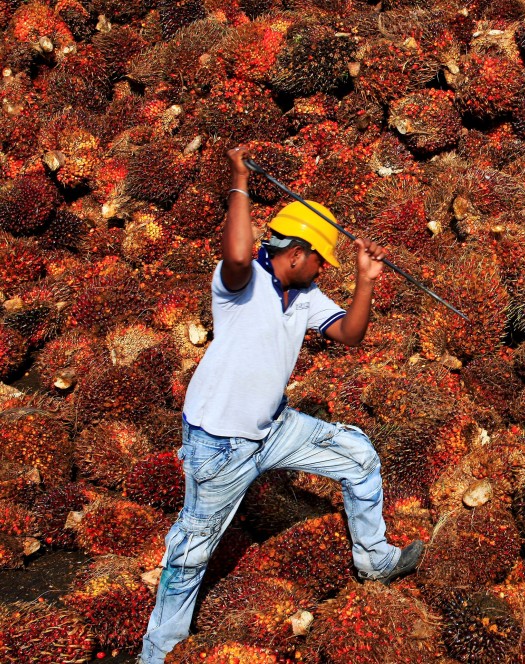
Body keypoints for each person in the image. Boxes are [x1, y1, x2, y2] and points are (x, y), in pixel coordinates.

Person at [139, 144, 424, 663]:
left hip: (271, 428)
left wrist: (364, 280)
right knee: (191, 551)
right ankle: (157, 653)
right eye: (320, 259)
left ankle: (375, 557)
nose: (322, 269)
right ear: (295, 252)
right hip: (219, 443)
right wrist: (239, 180)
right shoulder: (241, 284)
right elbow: (237, 254)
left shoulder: (308, 295)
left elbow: (352, 334)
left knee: (358, 455)